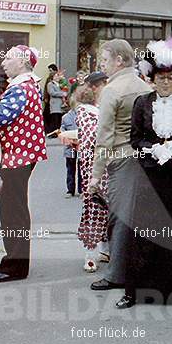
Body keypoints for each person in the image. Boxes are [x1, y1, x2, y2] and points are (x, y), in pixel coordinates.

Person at [116, 36, 172, 309]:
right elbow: (135, 139)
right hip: (150, 178)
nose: (165, 82)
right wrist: (152, 149)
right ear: (151, 77)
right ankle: (134, 292)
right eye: (160, 77)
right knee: (143, 233)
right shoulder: (142, 103)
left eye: (170, 77)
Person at [89, 39, 153, 290]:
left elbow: (103, 136)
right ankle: (134, 269)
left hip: (121, 158)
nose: (101, 65)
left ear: (119, 60)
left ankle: (117, 274)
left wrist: (96, 174)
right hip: (142, 158)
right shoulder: (143, 86)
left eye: (104, 60)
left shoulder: (112, 90)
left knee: (118, 217)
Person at [0, 45, 47, 283]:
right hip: (21, 156)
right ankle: (14, 259)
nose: (3, 62)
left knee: (13, 212)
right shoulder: (28, 86)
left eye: (8, 58)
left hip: (15, 157)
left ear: (21, 62)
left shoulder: (20, 88)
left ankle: (17, 265)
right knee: (14, 210)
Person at [70, 85, 110, 273]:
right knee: (108, 210)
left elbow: (88, 142)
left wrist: (88, 173)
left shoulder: (83, 114)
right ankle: (106, 250)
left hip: (94, 170)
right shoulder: (99, 113)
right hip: (108, 166)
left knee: (93, 210)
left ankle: (90, 255)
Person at [60, 104, 82, 197]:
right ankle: (70, 190)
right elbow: (62, 130)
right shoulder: (65, 117)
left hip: (81, 145)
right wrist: (67, 140)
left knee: (82, 168)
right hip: (69, 147)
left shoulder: (84, 115)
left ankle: (81, 190)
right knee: (70, 169)